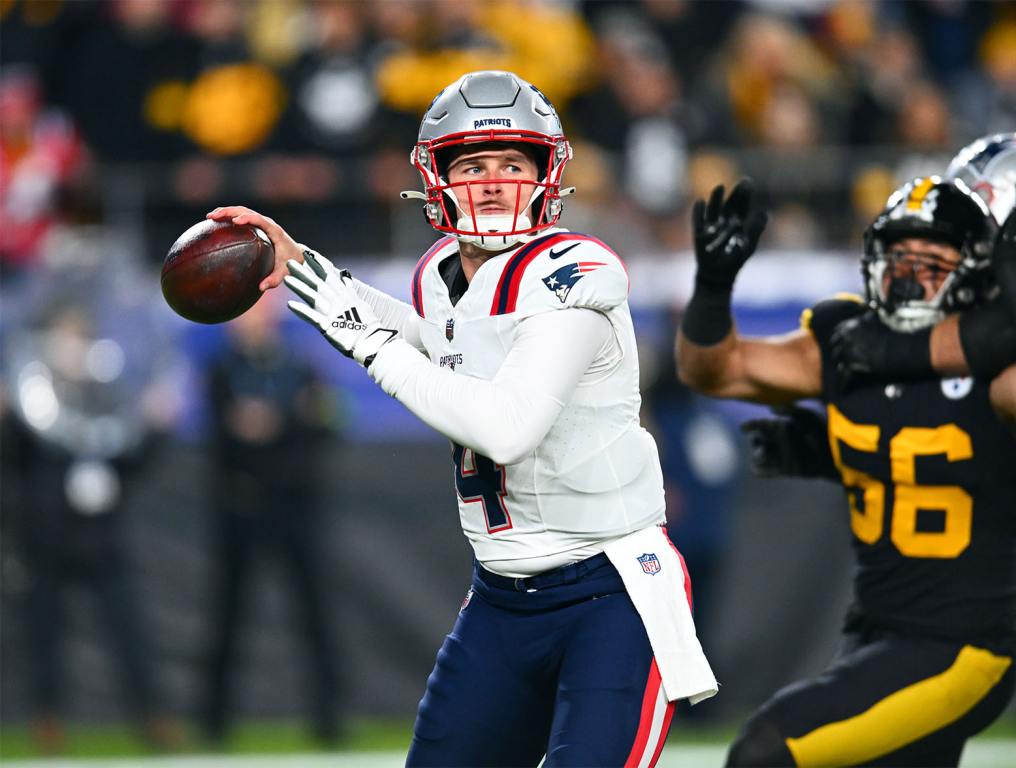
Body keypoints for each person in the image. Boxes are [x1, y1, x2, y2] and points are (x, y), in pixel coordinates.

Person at [208, 69, 716, 768]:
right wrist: (301, 269)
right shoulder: (440, 275)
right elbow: (428, 338)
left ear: (546, 175)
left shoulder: (577, 273)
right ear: (436, 177)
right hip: (502, 599)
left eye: (513, 163)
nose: (493, 182)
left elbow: (506, 426)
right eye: (472, 164)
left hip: (611, 593)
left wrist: (362, 335)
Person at [676, 174, 1016, 767]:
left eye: (933, 261)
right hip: (875, 630)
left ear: (980, 270)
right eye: (899, 256)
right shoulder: (848, 338)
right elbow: (715, 372)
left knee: (768, 750)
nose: (910, 275)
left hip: (965, 642)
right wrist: (712, 286)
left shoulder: (999, 374)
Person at [200, 293, 343, 745]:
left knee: (314, 615)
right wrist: (287, 419)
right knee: (228, 615)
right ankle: (213, 722)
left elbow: (327, 422)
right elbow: (225, 436)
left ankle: (329, 720)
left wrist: (274, 422)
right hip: (241, 507)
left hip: (293, 508)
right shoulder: (222, 370)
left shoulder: (300, 365)